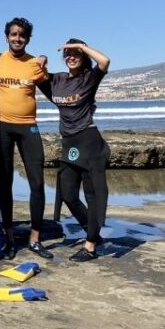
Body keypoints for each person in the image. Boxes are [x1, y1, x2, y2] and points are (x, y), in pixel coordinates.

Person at [0, 17, 52, 259]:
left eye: (22, 35)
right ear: (7, 37)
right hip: (1, 126)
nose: (17, 38)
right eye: (13, 34)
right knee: (6, 183)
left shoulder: (34, 64)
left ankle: (35, 239)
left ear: (27, 39)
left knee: (37, 183)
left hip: (28, 127)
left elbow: (54, 92)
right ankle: (9, 238)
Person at [40, 39, 110, 262]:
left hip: (89, 142)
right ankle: (92, 232)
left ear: (83, 56)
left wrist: (83, 46)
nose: (71, 57)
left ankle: (90, 246)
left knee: (92, 195)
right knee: (68, 194)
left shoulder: (89, 77)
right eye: (68, 53)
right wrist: (42, 59)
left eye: (76, 53)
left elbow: (105, 61)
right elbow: (37, 74)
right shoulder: (57, 80)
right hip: (69, 143)